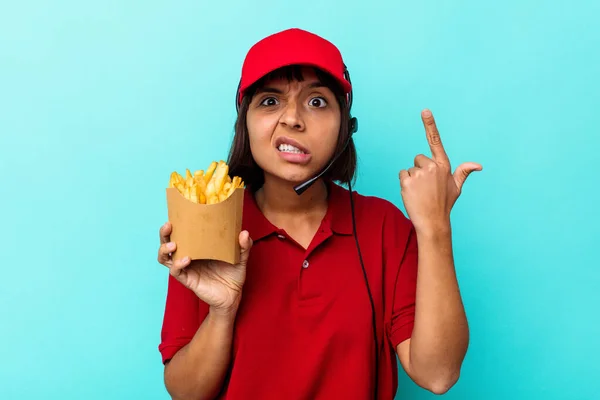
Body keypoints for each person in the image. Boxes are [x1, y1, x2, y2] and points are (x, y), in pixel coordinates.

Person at [156, 28, 482, 400]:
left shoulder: (383, 226)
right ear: (244, 123)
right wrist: (222, 311)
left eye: (316, 102)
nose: (292, 119)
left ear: (346, 127)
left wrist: (436, 226)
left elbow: (437, 374)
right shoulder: (205, 218)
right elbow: (185, 393)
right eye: (269, 101)